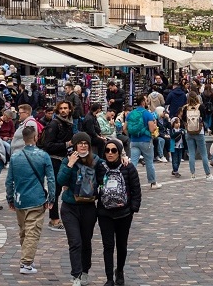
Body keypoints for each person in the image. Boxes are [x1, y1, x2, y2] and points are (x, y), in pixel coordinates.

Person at [5, 123, 55, 276]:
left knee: (24, 231)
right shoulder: (43, 155)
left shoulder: (15, 157)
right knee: (33, 231)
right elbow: (51, 179)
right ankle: (26, 262)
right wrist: (51, 197)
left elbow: (9, 181)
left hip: (20, 199)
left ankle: (28, 258)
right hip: (37, 198)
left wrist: (10, 198)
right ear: (35, 137)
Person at [96, 139, 141, 286]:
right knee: (108, 246)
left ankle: (119, 271)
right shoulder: (100, 167)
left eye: (113, 150)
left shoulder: (128, 167)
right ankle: (109, 278)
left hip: (124, 214)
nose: (110, 153)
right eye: (107, 150)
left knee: (122, 245)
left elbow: (136, 189)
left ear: (119, 152)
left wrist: (133, 208)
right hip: (105, 213)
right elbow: (98, 184)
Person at [58, 133, 101, 286]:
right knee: (75, 242)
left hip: (88, 207)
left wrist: (123, 157)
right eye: (80, 143)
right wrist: (70, 164)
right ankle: (76, 275)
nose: (83, 146)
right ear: (74, 145)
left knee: (86, 242)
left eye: (86, 143)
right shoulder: (67, 160)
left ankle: (84, 272)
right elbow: (60, 181)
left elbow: (110, 166)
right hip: (70, 207)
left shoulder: (96, 161)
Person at [42, 100, 77, 230]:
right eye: (61, 108)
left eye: (65, 108)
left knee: (68, 187)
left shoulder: (68, 123)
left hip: (65, 159)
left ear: (70, 110)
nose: (63, 110)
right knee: (55, 190)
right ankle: (54, 218)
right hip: (54, 160)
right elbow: (48, 145)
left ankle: (68, 216)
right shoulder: (55, 124)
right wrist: (66, 145)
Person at [179, 94, 213, 180]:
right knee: (204, 154)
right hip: (199, 132)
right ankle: (208, 174)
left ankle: (193, 174)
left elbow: (183, 118)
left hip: (189, 132)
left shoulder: (186, 107)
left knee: (191, 154)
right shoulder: (200, 107)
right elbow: (204, 117)